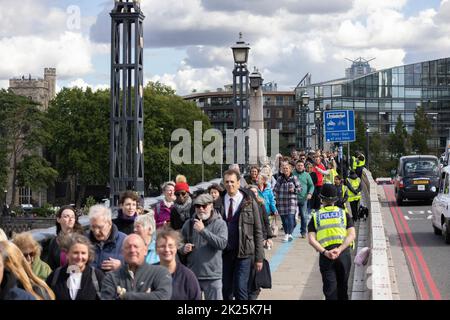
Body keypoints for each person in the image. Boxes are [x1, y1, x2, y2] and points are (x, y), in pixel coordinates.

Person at [220, 169, 264, 300]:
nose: (229, 185)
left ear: (239, 183)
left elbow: (258, 230)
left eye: (232, 182)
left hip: (244, 252)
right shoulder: (218, 202)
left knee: (240, 288)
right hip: (224, 253)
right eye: (226, 182)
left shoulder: (249, 202)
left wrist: (259, 257)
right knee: (226, 288)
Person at [307, 184, 356, 300]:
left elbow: (311, 239)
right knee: (343, 287)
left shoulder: (316, 216)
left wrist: (325, 252)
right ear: (335, 199)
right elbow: (352, 235)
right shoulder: (344, 214)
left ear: (321, 199)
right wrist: (339, 249)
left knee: (330, 291)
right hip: (343, 254)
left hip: (326, 256)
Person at [181, 193, 228, 300]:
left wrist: (203, 231)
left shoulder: (220, 224)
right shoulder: (189, 223)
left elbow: (222, 244)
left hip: (213, 276)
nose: (201, 209)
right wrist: (183, 248)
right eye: (198, 206)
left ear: (211, 206)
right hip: (193, 274)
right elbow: (178, 242)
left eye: (204, 206)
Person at [101, 234, 172, 300]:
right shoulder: (111, 277)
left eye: (136, 246)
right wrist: (147, 296)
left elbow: (163, 296)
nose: (132, 250)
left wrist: (125, 296)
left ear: (145, 250)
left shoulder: (160, 272)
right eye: (128, 247)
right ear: (122, 252)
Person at [46, 234, 104, 300]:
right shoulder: (55, 276)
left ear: (88, 255)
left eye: (83, 253)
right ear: (67, 254)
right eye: (75, 253)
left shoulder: (97, 276)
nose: (79, 257)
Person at [156, 228, 201, 300]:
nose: (167, 250)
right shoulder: (148, 274)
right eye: (162, 246)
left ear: (176, 248)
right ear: (156, 249)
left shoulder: (188, 277)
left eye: (170, 246)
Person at [88, 204, 126, 272]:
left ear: (109, 223)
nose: (96, 232)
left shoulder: (125, 241)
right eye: (93, 227)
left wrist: (121, 266)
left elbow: (136, 269)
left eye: (100, 227)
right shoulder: (84, 241)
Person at [46, 205, 84, 270]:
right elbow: (51, 266)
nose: (70, 219)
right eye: (66, 216)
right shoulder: (55, 241)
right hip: (61, 277)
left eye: (73, 217)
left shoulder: (82, 239)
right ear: (58, 219)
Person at [273, 161, 302, 242]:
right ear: (282, 169)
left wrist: (294, 190)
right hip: (281, 201)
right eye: (284, 168)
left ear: (290, 169)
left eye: (287, 168)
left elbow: (300, 189)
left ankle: (287, 234)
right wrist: (274, 197)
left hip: (291, 201)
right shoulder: (280, 179)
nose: (285, 170)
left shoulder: (294, 178)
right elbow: (275, 189)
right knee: (284, 219)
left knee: (290, 217)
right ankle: (289, 233)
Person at [293, 161, 315, 238]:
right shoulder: (292, 174)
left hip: (304, 198)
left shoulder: (307, 175)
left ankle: (303, 232)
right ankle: (292, 227)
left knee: (303, 216)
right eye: (298, 165)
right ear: (296, 166)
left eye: (301, 165)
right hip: (293, 198)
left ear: (304, 167)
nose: (300, 167)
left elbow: (311, 185)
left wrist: (310, 193)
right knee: (292, 215)